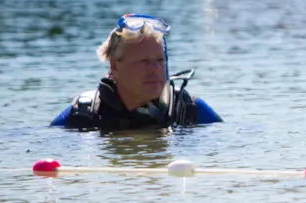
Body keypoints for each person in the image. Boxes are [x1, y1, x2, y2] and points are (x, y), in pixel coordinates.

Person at [51, 14, 223, 131]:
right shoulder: (84, 114)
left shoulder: (189, 110)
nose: (155, 69)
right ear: (115, 67)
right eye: (143, 61)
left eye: (160, 60)